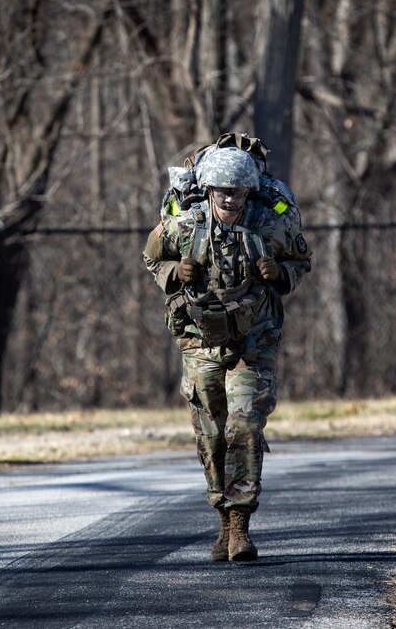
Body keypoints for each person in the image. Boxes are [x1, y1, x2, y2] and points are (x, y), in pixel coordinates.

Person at [143, 145, 312, 562]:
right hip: (201, 342)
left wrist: (282, 273)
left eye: (237, 191)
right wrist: (172, 273)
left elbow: (302, 258)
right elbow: (150, 257)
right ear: (209, 190)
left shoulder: (270, 226)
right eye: (221, 191)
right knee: (212, 435)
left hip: (254, 342)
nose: (229, 198)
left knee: (245, 426)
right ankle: (222, 520)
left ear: (249, 191)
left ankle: (240, 526)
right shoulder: (184, 225)